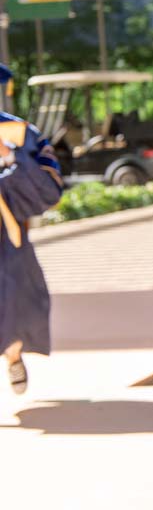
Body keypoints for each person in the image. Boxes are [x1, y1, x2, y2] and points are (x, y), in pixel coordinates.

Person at [0, 64, 63, 395]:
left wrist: (10, 159)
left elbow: (49, 191)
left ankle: (13, 354)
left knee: (13, 306)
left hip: (7, 243)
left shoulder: (19, 134)